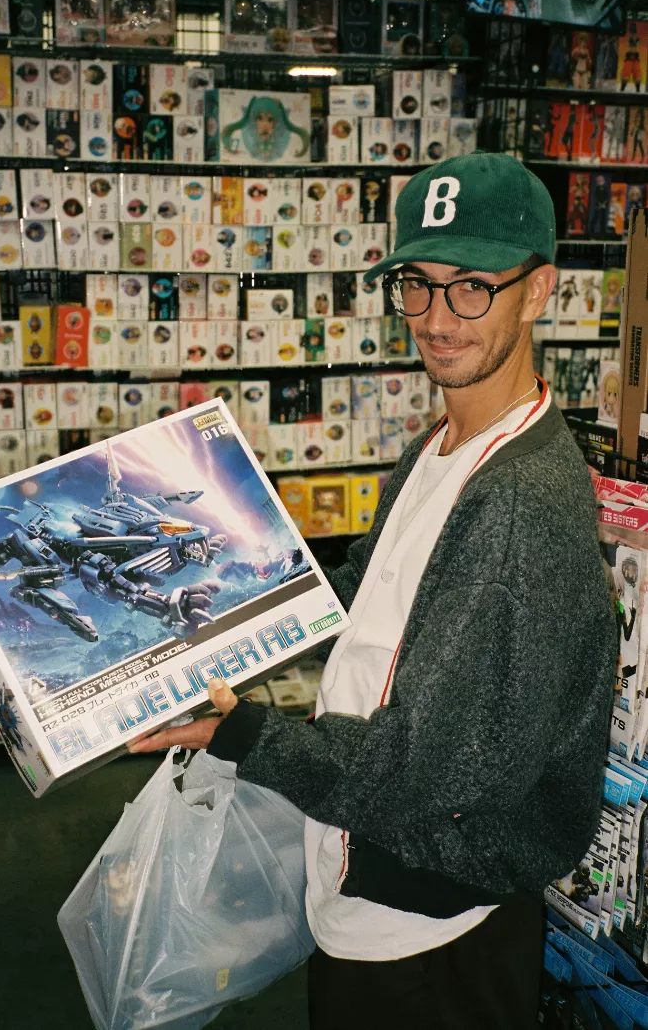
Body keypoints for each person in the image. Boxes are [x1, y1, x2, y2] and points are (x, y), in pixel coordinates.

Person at [130, 152, 616, 1030]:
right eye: (417, 286)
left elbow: (430, 766)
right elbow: (361, 594)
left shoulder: (520, 502)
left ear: (537, 291)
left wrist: (246, 732)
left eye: (472, 286)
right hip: (372, 877)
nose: (437, 318)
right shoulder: (440, 445)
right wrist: (220, 603)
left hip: (429, 925)